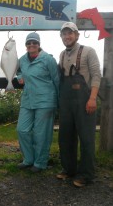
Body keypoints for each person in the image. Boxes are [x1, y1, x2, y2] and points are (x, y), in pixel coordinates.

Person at [57, 22, 101, 187]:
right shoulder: (62, 54)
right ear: (61, 37)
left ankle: (86, 174)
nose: (67, 36)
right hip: (67, 102)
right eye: (64, 34)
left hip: (85, 101)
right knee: (65, 137)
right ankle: (69, 169)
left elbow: (96, 75)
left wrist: (92, 98)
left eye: (70, 33)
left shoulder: (89, 51)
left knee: (87, 138)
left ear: (77, 35)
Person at [16, 32, 60, 173]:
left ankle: (40, 162)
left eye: (34, 42)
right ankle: (28, 159)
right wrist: (20, 76)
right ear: (26, 45)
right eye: (29, 43)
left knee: (41, 134)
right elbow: (18, 71)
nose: (31, 45)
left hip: (46, 101)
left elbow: (57, 80)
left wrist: (59, 103)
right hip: (28, 100)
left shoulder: (48, 59)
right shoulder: (22, 59)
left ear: (39, 44)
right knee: (22, 130)